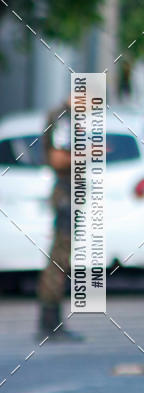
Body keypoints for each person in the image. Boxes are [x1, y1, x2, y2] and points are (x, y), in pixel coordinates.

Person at [37, 97, 83, 342]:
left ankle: (53, 319)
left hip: (69, 190)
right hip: (65, 190)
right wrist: (89, 153)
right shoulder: (64, 118)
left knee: (62, 256)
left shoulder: (67, 116)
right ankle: (49, 320)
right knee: (60, 256)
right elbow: (58, 158)